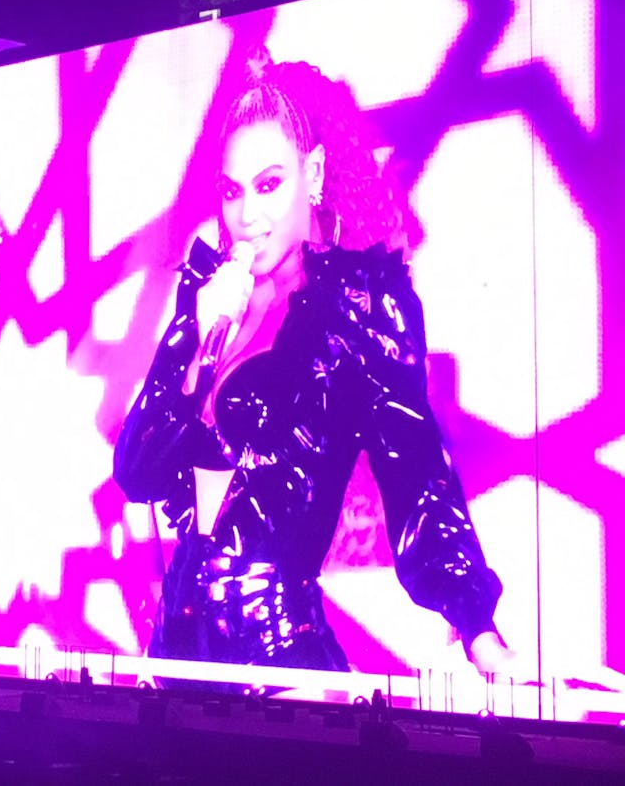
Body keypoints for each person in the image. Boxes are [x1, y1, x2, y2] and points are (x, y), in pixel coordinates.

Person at [112, 53, 511, 677]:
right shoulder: (208, 301)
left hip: (279, 662)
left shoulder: (359, 312)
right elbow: (138, 473)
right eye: (232, 191)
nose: (247, 216)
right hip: (174, 663)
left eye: (269, 185)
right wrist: (194, 340)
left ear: (313, 174)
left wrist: (479, 630)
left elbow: (418, 481)